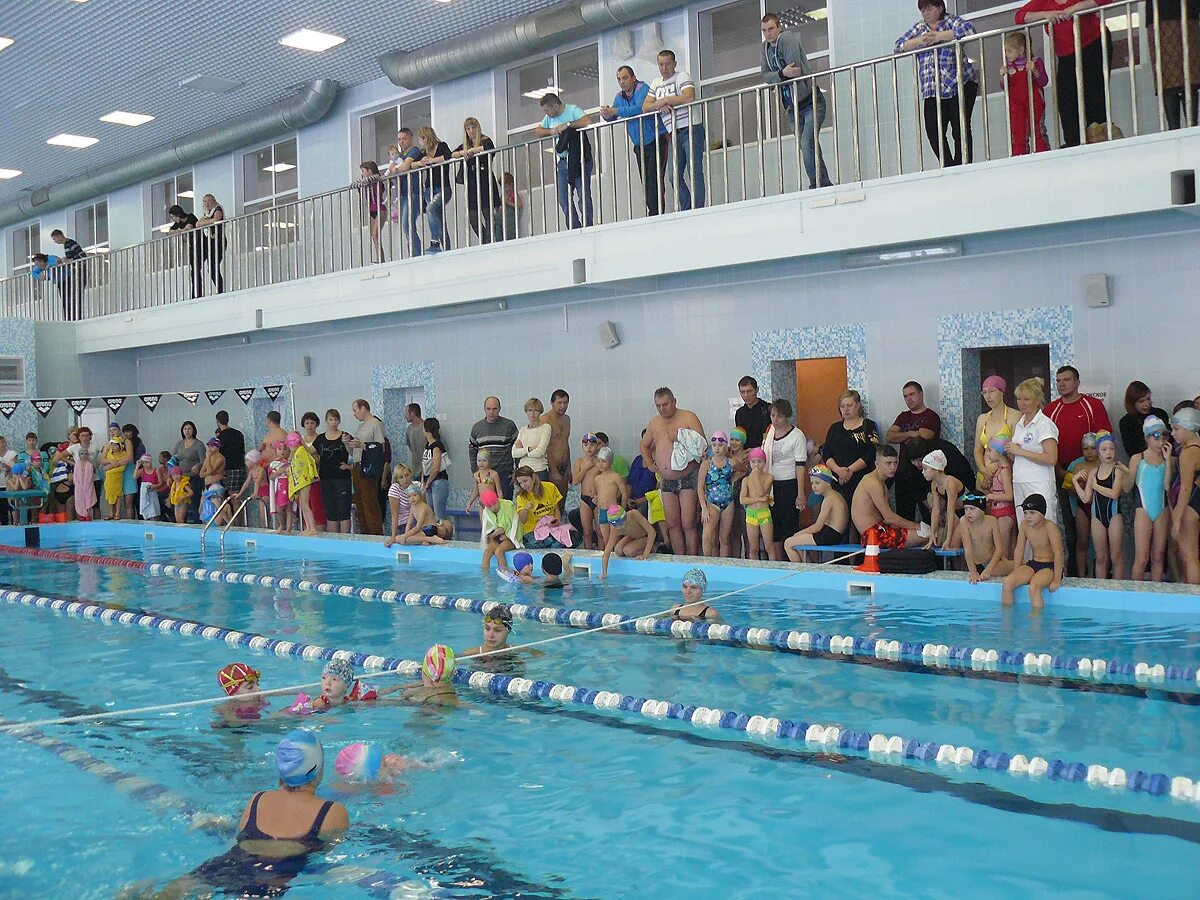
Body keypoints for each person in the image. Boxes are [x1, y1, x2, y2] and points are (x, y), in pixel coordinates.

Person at [181, 730, 348, 897]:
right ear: (318, 769)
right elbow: (322, 858)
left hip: (228, 863)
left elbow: (239, 836)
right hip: (274, 875)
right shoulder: (332, 812)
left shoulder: (257, 799)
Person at [1016, 0, 1115, 147]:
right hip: (1066, 56)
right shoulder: (1043, 2)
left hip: (1093, 45)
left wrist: (1073, 9)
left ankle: (1099, 140)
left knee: (1095, 95)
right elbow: (1019, 17)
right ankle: (1074, 144)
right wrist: (1046, 15)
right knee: (1066, 99)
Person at [895, 0, 980, 167]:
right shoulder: (919, 28)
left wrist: (941, 36)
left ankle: (964, 164)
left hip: (958, 83)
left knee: (959, 127)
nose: (926, 13)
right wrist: (920, 41)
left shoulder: (951, 21)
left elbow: (970, 30)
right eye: (923, 9)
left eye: (929, 8)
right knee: (933, 130)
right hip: (932, 89)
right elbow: (898, 46)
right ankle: (948, 166)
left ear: (940, 8)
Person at [1044, 366, 1111, 574]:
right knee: (1073, 531)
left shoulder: (1093, 406)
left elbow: (1105, 441)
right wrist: (1062, 472)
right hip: (1064, 475)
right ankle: (1076, 573)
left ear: (1077, 382)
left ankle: (1103, 574)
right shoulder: (1050, 411)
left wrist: (1097, 474)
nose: (1061, 384)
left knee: (1101, 527)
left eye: (1066, 380)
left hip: (1095, 476)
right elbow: (1046, 445)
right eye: (1058, 381)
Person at [760, 12, 832, 189]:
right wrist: (780, 74)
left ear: (779, 27)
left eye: (771, 29)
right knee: (808, 146)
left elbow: (794, 69)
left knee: (807, 144)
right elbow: (765, 76)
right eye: (764, 30)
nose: (768, 33)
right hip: (792, 107)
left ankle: (816, 185)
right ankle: (824, 183)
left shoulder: (787, 39)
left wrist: (779, 75)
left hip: (810, 101)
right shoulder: (765, 49)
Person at [640, 387, 707, 556]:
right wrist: (649, 462)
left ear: (674, 401)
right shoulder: (655, 423)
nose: (662, 409)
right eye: (658, 406)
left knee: (688, 523)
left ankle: (691, 560)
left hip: (688, 476)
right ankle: (679, 560)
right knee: (672, 523)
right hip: (666, 479)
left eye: (665, 404)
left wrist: (680, 437)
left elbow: (702, 444)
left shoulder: (688, 417)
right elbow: (644, 444)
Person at [601, 65, 668, 216]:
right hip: (639, 145)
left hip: (656, 139)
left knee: (655, 178)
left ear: (633, 77)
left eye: (625, 78)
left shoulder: (643, 89)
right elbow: (613, 116)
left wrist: (615, 111)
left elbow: (640, 108)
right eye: (619, 79)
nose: (622, 82)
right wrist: (606, 113)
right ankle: (653, 212)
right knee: (646, 181)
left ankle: (657, 214)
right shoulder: (619, 97)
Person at [645, 50, 705, 211]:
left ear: (674, 64)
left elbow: (688, 96)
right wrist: (660, 104)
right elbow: (646, 106)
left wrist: (665, 100)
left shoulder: (682, 76)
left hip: (691, 128)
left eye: (667, 63)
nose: (664, 68)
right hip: (673, 133)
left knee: (694, 170)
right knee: (673, 175)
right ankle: (686, 207)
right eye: (661, 64)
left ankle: (698, 208)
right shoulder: (656, 83)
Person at [1006, 376, 1061, 534]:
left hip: (1039, 482)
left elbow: (1051, 458)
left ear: (1037, 400)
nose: (1021, 403)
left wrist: (1020, 451)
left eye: (1026, 399)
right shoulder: (1020, 424)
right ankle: (1028, 559)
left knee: (1043, 526)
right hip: (1019, 480)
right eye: (1019, 399)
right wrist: (1010, 451)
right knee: (1025, 528)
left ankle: (1047, 559)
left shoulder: (1044, 424)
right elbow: (1018, 457)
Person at [534, 93, 593, 229]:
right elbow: (537, 131)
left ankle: (588, 226)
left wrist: (568, 125)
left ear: (555, 106)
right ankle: (574, 226)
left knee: (583, 195)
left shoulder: (572, 110)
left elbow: (588, 121)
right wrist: (551, 131)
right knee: (564, 199)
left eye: (547, 110)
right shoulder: (549, 118)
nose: (546, 114)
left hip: (580, 159)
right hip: (563, 161)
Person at [1124, 416, 1172, 582]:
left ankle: (1156, 595)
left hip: (1162, 510)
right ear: (1147, 438)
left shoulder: (1168, 460)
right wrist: (1128, 473)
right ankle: (1136, 596)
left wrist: (1169, 463)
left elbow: (1167, 487)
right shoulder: (1138, 459)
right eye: (1156, 437)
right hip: (1142, 510)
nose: (1161, 442)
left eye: (1163, 436)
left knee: (1158, 555)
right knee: (1142, 557)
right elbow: (1127, 487)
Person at [886, 381, 943, 521]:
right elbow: (889, 436)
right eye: (905, 396)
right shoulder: (903, 416)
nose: (908, 399)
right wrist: (911, 434)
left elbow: (925, 435)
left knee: (929, 514)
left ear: (921, 394)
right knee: (904, 516)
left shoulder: (931, 416)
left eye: (912, 394)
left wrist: (903, 435)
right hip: (903, 472)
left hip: (924, 473)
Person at [851, 445, 926, 548]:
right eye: (888, 463)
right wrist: (918, 527)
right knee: (925, 536)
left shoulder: (882, 485)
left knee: (926, 535)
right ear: (877, 463)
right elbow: (889, 517)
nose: (893, 467)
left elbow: (888, 521)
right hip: (873, 536)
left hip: (882, 530)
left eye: (895, 463)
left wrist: (914, 529)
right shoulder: (873, 483)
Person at [822, 389, 881, 518]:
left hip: (862, 481)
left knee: (862, 520)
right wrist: (839, 471)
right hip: (838, 481)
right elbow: (826, 453)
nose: (846, 409)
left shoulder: (868, 425)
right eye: (842, 406)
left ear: (858, 405)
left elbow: (872, 453)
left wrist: (849, 471)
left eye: (849, 405)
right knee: (839, 520)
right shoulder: (834, 428)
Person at [1073, 430, 1124, 579]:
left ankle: (1119, 592)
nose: (1108, 453)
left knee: (1116, 557)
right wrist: (1076, 482)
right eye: (1104, 449)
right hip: (1097, 517)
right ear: (1099, 452)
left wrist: (1095, 487)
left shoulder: (1118, 470)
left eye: (1111, 449)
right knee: (1101, 558)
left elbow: (1114, 494)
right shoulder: (1093, 472)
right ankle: (1100, 591)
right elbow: (1086, 499)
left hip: (1114, 515)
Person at [762, 399, 808, 558]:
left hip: (789, 485)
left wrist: (800, 492)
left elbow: (801, 465)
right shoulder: (770, 433)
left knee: (789, 527)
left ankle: (793, 561)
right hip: (771, 485)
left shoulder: (797, 436)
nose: (775, 419)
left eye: (779, 416)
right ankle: (778, 562)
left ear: (787, 417)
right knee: (774, 527)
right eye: (772, 415)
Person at [1002, 493, 1064, 609]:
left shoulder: (1050, 527)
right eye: (1025, 513)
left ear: (1042, 513)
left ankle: (1036, 625)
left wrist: (1056, 579)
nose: (1027, 517)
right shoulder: (1024, 525)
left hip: (1049, 566)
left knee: (1033, 587)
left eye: (1032, 513)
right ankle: (1007, 621)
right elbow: (1019, 549)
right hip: (1033, 563)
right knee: (1007, 583)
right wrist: (1016, 570)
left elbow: (1058, 554)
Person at [1146, 0, 1200, 130]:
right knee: (1185, 78)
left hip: (1170, 13)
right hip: (1177, 12)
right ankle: (1189, 129)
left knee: (1172, 80)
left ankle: (1176, 129)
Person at [452, 117, 501, 244]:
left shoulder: (485, 140)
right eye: (468, 128)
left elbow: (489, 147)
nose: (471, 131)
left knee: (487, 212)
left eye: (473, 127)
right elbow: (451, 154)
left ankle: (490, 240)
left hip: (485, 179)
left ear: (478, 128)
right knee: (473, 216)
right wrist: (463, 152)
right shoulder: (464, 145)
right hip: (472, 182)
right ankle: (485, 240)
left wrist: (473, 150)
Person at [784, 465, 850, 560]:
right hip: (834, 534)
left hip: (830, 535)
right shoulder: (835, 495)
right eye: (812, 483)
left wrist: (799, 533)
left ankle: (800, 572)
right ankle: (807, 570)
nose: (814, 486)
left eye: (817, 483)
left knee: (788, 543)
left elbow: (817, 526)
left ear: (828, 482)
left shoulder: (829, 499)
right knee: (796, 542)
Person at [1002, 31, 1050, 155]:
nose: (1006, 54)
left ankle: (1043, 154)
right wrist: (1003, 77)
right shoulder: (1008, 66)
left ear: (1021, 50)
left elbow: (1043, 81)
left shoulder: (1035, 61)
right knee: (1018, 130)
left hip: (1035, 103)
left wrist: (1034, 70)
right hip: (1016, 105)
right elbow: (1004, 87)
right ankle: (1019, 156)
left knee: (1037, 129)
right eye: (1005, 51)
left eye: (1009, 51)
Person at [1169, 407, 1200, 584]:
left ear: (1189, 428)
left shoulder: (1187, 453)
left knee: (1189, 556)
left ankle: (1194, 602)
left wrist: (1177, 519)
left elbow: (1186, 489)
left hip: (1190, 506)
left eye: (1176, 429)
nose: (1173, 433)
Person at [973, 374, 1019, 491]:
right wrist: (983, 470)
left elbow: (1016, 453)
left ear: (1002, 392)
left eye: (991, 391)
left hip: (1005, 477)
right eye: (984, 392)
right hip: (984, 477)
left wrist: (998, 472)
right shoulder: (982, 419)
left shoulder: (1015, 416)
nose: (988, 396)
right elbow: (978, 450)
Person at [347, 399, 386, 535]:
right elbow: (355, 453)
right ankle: (365, 534)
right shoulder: (361, 426)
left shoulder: (375, 424)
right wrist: (348, 444)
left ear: (363, 408)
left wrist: (363, 445)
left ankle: (375, 535)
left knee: (370, 503)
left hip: (368, 468)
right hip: (357, 466)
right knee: (360, 504)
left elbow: (380, 448)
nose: (354, 414)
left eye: (355, 410)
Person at [412, 127, 454, 253]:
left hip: (443, 187)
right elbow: (412, 165)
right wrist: (421, 163)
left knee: (430, 208)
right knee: (439, 220)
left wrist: (432, 160)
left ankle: (435, 243)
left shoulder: (441, 146)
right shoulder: (423, 152)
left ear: (425, 138)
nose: (420, 142)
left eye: (420, 139)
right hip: (429, 189)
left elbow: (448, 156)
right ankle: (447, 249)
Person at [959, 491, 1016, 583]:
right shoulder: (964, 522)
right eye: (966, 509)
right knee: (1018, 565)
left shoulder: (992, 520)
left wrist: (989, 569)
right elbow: (968, 550)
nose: (968, 512)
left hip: (992, 563)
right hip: (977, 564)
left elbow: (999, 549)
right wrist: (973, 572)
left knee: (1020, 564)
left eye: (972, 508)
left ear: (982, 509)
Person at [310, 409, 352, 534]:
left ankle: (345, 540)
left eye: (336, 419)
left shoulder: (345, 435)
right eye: (331, 419)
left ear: (339, 421)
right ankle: (333, 541)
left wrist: (347, 444)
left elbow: (354, 454)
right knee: (331, 511)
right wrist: (298, 442)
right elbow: (309, 451)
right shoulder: (321, 438)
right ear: (326, 421)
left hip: (342, 478)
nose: (333, 422)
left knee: (343, 510)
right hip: (326, 478)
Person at [469, 396, 518, 498]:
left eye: (495, 409)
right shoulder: (477, 428)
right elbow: (472, 452)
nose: (491, 412)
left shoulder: (509, 425)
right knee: (487, 507)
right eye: (488, 409)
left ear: (499, 409)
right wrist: (476, 472)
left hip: (505, 475)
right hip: (485, 474)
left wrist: (517, 471)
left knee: (505, 507)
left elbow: (517, 449)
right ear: (484, 409)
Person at [388, 127, 426, 257]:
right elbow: (394, 169)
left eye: (404, 139)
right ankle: (412, 253)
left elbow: (404, 167)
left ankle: (416, 254)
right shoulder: (399, 155)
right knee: (406, 226)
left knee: (407, 224)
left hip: (414, 191)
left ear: (410, 138)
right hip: (403, 193)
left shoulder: (414, 150)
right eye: (399, 139)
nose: (401, 142)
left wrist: (396, 169)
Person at [698, 431, 737, 558]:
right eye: (714, 445)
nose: (717, 448)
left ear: (725, 446)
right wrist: (703, 507)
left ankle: (724, 567)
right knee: (707, 536)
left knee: (724, 539)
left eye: (720, 445)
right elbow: (700, 487)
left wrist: (733, 479)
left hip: (728, 503)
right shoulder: (707, 464)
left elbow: (744, 470)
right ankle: (708, 565)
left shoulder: (731, 463)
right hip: (711, 504)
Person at [380, 645, 458, 706]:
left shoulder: (420, 695)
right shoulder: (449, 687)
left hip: (428, 711)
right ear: (452, 673)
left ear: (423, 670)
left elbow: (388, 702)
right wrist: (397, 687)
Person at [513, 466, 569, 549]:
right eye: (520, 483)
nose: (523, 485)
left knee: (574, 537)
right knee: (548, 543)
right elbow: (522, 520)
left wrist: (557, 521)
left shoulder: (550, 487)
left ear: (534, 477)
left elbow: (556, 509)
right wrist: (526, 509)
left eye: (525, 481)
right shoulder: (521, 496)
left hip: (550, 527)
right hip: (531, 531)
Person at [982, 437, 1017, 556]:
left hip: (1005, 515)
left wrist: (991, 496)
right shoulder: (1000, 469)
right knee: (1001, 552)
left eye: (990, 451)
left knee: (1003, 554)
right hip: (997, 513)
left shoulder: (1005, 471)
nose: (988, 454)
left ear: (999, 453)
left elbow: (1009, 495)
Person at [601, 504, 657, 577]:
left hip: (645, 536)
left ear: (625, 518)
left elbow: (652, 532)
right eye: (616, 525)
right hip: (632, 537)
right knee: (618, 550)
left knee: (628, 551)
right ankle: (639, 547)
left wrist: (645, 554)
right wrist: (604, 573)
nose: (619, 527)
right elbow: (607, 551)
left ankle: (654, 547)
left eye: (620, 524)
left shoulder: (634, 514)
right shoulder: (615, 527)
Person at [741, 448, 777, 561]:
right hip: (751, 514)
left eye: (760, 461)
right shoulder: (746, 480)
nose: (756, 465)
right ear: (750, 462)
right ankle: (754, 574)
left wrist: (755, 475)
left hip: (764, 514)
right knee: (753, 548)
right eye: (753, 462)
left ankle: (774, 572)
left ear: (764, 462)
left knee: (769, 547)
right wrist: (759, 499)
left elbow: (762, 491)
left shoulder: (769, 477)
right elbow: (742, 500)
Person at [1118, 381, 1171, 458]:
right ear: (1132, 403)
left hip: (1164, 457)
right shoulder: (1126, 422)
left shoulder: (1160, 414)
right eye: (1141, 401)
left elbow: (1170, 439)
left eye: (1148, 399)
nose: (1147, 404)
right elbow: (1131, 451)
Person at [540, 390, 572, 506]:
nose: (563, 406)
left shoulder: (567, 419)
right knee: (552, 503)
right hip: (550, 468)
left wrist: (569, 467)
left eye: (565, 402)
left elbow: (566, 443)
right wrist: (553, 471)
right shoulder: (545, 420)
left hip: (564, 466)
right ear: (552, 403)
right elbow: (546, 448)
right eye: (559, 403)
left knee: (562, 501)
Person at [29, 252, 83, 321]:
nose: (38, 266)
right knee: (65, 301)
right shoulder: (42, 266)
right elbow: (33, 273)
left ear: (42, 261)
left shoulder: (50, 258)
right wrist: (39, 277)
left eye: (38, 264)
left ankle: (77, 317)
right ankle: (69, 318)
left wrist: (49, 266)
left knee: (72, 299)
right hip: (60, 282)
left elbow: (58, 261)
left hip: (68, 278)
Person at [572, 434, 603, 549]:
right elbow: (575, 481)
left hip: (598, 499)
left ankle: (601, 557)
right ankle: (588, 557)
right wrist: (585, 468)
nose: (589, 448)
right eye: (586, 445)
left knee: (601, 533)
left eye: (592, 445)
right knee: (587, 532)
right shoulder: (579, 462)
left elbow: (606, 480)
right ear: (582, 446)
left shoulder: (600, 462)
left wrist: (600, 496)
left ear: (597, 447)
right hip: (584, 499)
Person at [285, 432, 319, 536]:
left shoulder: (301, 451)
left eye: (290, 445)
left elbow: (306, 466)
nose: (290, 448)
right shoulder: (297, 452)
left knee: (305, 505)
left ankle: (313, 528)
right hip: (301, 482)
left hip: (304, 482)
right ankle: (309, 527)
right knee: (302, 505)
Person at [167, 203, 204, 299]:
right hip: (193, 246)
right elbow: (170, 231)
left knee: (199, 268)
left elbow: (189, 228)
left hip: (201, 244)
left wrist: (180, 230)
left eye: (173, 216)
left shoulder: (190, 217)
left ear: (178, 214)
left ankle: (198, 293)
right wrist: (177, 231)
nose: (173, 219)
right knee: (194, 271)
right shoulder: (178, 223)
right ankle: (196, 294)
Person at [49, 228, 87, 318]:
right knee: (75, 294)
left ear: (59, 236)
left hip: (79, 269)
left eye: (55, 239)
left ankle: (77, 315)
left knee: (77, 293)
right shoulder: (67, 244)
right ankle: (75, 315)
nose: (55, 241)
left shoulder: (70, 243)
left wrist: (69, 260)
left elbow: (81, 256)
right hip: (77, 270)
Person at [479, 489, 520, 570]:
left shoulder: (508, 505)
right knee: (487, 553)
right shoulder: (486, 511)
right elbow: (488, 528)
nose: (493, 508)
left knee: (498, 552)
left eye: (495, 503)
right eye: (490, 506)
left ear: (497, 499)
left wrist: (493, 535)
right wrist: (491, 537)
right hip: (498, 537)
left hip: (511, 537)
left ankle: (504, 573)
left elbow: (506, 526)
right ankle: (485, 579)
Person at [194, 193, 227, 294]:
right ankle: (216, 289)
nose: (206, 203)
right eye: (204, 201)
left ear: (213, 201)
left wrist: (205, 222)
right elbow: (197, 224)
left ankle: (221, 290)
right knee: (205, 265)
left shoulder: (218, 209)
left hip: (218, 240)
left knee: (213, 266)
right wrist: (207, 222)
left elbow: (216, 220)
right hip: (210, 241)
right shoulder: (207, 213)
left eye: (208, 201)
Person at [356, 161, 388, 263]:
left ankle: (381, 259)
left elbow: (380, 186)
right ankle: (379, 257)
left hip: (380, 208)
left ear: (370, 170)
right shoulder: (366, 182)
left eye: (363, 171)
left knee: (375, 234)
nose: (362, 174)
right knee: (373, 235)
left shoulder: (377, 180)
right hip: (371, 210)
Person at [215, 410, 246, 512]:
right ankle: (239, 522)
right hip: (241, 467)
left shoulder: (220, 438)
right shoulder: (238, 434)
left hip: (230, 469)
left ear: (217, 421)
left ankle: (238, 525)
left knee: (234, 497)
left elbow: (219, 456)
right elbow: (242, 451)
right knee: (238, 496)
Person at [420, 417, 450, 522]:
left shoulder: (437, 446)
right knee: (431, 514)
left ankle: (443, 535)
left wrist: (428, 483)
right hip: (429, 481)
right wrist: (423, 480)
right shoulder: (427, 445)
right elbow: (425, 465)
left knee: (439, 515)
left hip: (438, 481)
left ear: (427, 430)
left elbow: (436, 468)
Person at [99, 424, 132, 520]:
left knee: (125, 498)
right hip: (111, 475)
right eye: (110, 430)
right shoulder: (108, 445)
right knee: (110, 494)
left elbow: (129, 458)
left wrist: (111, 465)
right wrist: (110, 462)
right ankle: (111, 513)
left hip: (124, 471)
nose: (112, 432)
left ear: (119, 430)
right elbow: (102, 460)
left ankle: (127, 520)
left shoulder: (126, 442)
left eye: (114, 430)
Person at [734, 376, 772, 450]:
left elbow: (774, 437)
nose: (746, 395)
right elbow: (740, 438)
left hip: (765, 455)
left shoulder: (768, 409)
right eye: (742, 392)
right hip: (746, 457)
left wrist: (756, 450)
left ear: (757, 390)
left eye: (749, 391)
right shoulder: (739, 413)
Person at [121, 424, 146, 519]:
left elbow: (140, 460)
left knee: (138, 499)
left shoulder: (139, 445)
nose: (126, 434)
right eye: (125, 432)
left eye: (129, 431)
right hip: (126, 473)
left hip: (137, 473)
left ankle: (140, 518)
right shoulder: (122, 444)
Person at [495, 171, 526, 241]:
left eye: (506, 186)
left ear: (511, 184)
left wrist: (508, 202)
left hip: (511, 219)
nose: (505, 189)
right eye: (503, 187)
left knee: (510, 231)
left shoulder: (514, 194)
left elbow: (519, 205)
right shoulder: (503, 196)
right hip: (503, 218)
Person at [404, 402, 427, 471]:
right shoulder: (409, 429)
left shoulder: (426, 427)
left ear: (412, 413)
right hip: (415, 469)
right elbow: (410, 447)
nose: (405, 416)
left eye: (406, 413)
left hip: (427, 468)